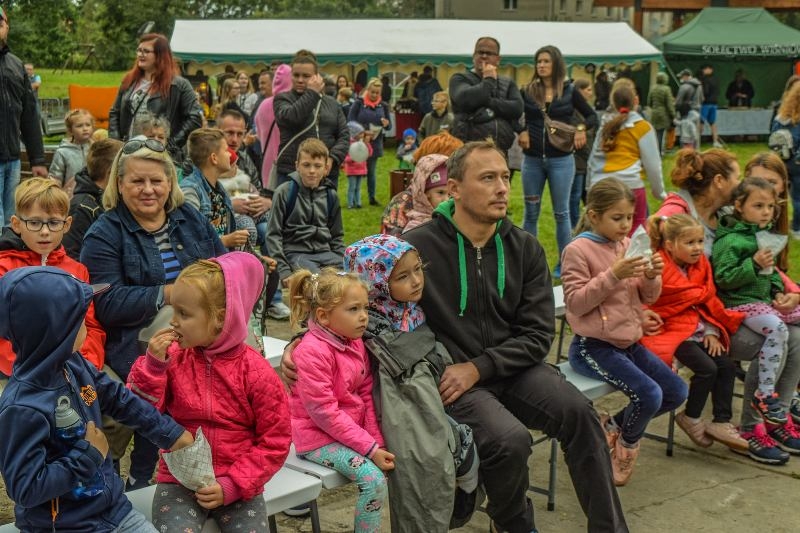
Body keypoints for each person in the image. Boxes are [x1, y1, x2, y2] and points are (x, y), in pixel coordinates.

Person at [390, 141, 627, 531]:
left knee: (581, 416)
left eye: (505, 176)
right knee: (509, 441)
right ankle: (516, 525)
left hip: (514, 369)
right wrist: (301, 346)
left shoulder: (524, 247)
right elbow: (363, 300)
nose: (502, 187)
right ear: (455, 190)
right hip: (453, 380)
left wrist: (482, 367)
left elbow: (537, 335)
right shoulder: (417, 248)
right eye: (488, 178)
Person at [0, 266, 194, 532]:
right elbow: (26, 488)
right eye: (80, 320)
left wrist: (169, 433)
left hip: (114, 511)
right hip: (66, 527)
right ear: (55, 331)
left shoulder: (74, 364)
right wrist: (88, 456)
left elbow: (118, 399)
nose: (88, 327)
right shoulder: (22, 408)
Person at [81, 138, 226, 490]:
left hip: (203, 333)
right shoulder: (104, 233)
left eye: (156, 181)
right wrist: (170, 294)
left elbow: (223, 267)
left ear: (170, 182)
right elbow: (106, 304)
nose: (148, 190)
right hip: (139, 339)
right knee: (169, 378)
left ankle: (220, 462)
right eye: (137, 181)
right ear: (119, 184)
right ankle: (146, 476)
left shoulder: (188, 218)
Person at [655, 149, 800, 463]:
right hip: (703, 321)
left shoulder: (727, 217)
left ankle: (777, 417)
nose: (743, 184)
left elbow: (766, 270)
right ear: (720, 181)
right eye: (739, 177)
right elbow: (665, 267)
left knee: (795, 334)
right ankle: (751, 426)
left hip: (726, 313)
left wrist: (790, 292)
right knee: (772, 339)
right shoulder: (681, 213)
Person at [128, 253, 290, 530]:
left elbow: (275, 440)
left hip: (239, 482)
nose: (173, 322)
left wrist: (234, 484)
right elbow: (139, 413)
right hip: (180, 479)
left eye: (184, 313)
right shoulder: (174, 359)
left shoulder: (256, 371)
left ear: (220, 318)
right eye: (173, 311)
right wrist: (153, 368)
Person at [344, 234, 478, 532]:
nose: (416, 281)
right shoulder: (362, 321)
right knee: (422, 462)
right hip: (388, 403)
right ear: (375, 283)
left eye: (418, 269)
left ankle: (458, 449)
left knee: (435, 452)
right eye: (403, 276)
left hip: (430, 392)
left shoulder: (412, 309)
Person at [562, 178, 687, 486]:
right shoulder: (578, 250)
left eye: (629, 218)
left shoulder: (626, 245)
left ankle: (610, 426)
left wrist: (651, 276)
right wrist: (613, 274)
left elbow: (645, 298)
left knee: (676, 391)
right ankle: (626, 447)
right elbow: (576, 303)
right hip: (593, 347)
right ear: (594, 216)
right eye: (617, 218)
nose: (625, 225)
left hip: (628, 343)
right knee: (649, 395)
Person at [287, 267, 393, 533]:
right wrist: (370, 449)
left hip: (346, 432)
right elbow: (323, 412)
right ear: (323, 316)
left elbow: (366, 393)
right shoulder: (312, 352)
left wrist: (376, 441)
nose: (363, 317)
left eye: (364, 309)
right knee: (373, 480)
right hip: (316, 439)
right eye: (353, 309)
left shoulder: (353, 341)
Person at [640, 214, 747, 451]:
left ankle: (721, 420)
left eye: (700, 241)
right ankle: (691, 416)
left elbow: (707, 300)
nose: (698, 248)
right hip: (671, 331)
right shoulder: (659, 265)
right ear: (670, 245)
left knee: (727, 366)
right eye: (690, 243)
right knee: (706, 369)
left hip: (698, 329)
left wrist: (711, 331)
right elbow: (651, 302)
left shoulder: (701, 265)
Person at [711, 177, 800, 425]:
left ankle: (789, 397)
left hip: (762, 303)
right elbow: (724, 278)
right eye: (758, 206)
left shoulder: (760, 237)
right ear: (739, 205)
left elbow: (770, 273)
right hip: (740, 304)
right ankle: (764, 393)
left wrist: (778, 294)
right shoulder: (730, 240)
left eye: (770, 207)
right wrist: (753, 263)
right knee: (778, 329)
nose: (766, 212)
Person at [0, 177, 106, 379]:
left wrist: (87, 364)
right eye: (34, 222)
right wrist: (29, 370)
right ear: (16, 224)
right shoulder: (4, 269)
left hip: (70, 371)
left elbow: (90, 326)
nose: (45, 231)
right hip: (18, 372)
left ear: (67, 225)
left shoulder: (78, 271)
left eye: (54, 223)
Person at [519, 45, 597, 277]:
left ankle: (566, 265)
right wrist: (521, 129)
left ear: (556, 64)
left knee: (562, 213)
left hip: (562, 160)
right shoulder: (527, 90)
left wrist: (581, 128)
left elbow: (592, 116)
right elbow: (517, 116)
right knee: (530, 212)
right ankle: (527, 263)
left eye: (546, 61)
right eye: (538, 61)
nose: (541, 65)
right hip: (532, 160)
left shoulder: (570, 91)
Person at [109, 33, 202, 164]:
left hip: (161, 156)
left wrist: (169, 145)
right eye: (139, 50)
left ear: (160, 55)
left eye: (146, 51)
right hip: (129, 152)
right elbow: (115, 112)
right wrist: (116, 144)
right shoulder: (129, 81)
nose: (140, 54)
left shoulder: (179, 85)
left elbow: (194, 118)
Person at [587, 84, 665, 234]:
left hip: (601, 185)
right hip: (631, 186)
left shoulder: (605, 126)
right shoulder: (642, 127)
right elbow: (653, 165)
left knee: (599, 235)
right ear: (636, 101)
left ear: (613, 103)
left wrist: (589, 187)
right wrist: (659, 192)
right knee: (634, 234)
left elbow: (592, 161)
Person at [266, 138, 345, 285]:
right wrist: (284, 272)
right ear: (297, 166)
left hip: (327, 254)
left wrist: (342, 260)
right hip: (296, 254)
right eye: (306, 165)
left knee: (352, 278)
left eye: (318, 166)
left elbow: (337, 235)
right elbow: (273, 234)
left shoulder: (330, 196)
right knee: (318, 282)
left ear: (326, 169)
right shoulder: (284, 193)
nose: (312, 171)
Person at [274, 49, 349, 188]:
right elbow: (292, 117)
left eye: (306, 76)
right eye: (296, 75)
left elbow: (344, 136)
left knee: (324, 210)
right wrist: (312, 93)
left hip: (325, 174)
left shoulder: (332, 103)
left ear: (317, 77)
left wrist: (332, 158)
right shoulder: (282, 99)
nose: (300, 80)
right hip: (291, 173)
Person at [0, 7, 47, 227]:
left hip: (13, 159)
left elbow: (29, 115)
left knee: (12, 222)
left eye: (1, 22)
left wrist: (37, 158)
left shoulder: (16, 65)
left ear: (7, 27)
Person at [449, 36, 523, 153]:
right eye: (480, 52)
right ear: (474, 56)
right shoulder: (460, 78)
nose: (484, 56)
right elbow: (464, 100)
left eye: (489, 53)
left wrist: (486, 101)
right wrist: (488, 80)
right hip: (468, 149)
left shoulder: (507, 83)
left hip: (500, 150)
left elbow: (517, 108)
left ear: (498, 59)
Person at [63, 138, 123, 260]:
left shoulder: (114, 199)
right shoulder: (82, 208)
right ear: (112, 173)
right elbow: (70, 255)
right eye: (124, 170)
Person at [381, 154, 449, 237]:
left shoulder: (454, 211)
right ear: (425, 193)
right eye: (441, 192)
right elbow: (390, 241)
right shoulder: (403, 203)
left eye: (450, 194)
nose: (447, 199)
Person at [348, 77, 391, 206]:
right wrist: (363, 131)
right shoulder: (359, 103)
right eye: (372, 92)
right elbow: (350, 120)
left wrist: (386, 123)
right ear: (367, 90)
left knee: (371, 172)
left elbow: (389, 127)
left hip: (374, 144)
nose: (374, 95)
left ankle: (371, 197)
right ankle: (355, 199)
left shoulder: (383, 105)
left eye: (377, 93)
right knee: (356, 171)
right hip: (359, 143)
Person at [255, 63, 291, 188]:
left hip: (268, 164)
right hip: (288, 164)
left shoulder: (263, 105)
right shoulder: (293, 106)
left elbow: (259, 135)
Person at [771, 82, 800, 238]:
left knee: (777, 196)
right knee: (798, 197)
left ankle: (775, 226)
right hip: (798, 162)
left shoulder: (781, 117)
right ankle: (797, 228)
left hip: (781, 161)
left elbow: (772, 137)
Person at [49, 109, 94, 198]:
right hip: (71, 197)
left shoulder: (96, 148)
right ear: (70, 130)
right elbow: (55, 178)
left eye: (88, 125)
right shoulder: (62, 152)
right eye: (79, 126)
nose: (85, 129)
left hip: (92, 196)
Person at [570, 79, 595, 229]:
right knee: (574, 197)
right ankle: (574, 227)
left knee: (588, 196)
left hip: (587, 161)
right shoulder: (573, 113)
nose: (590, 93)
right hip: (577, 160)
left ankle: (587, 226)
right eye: (588, 89)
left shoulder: (588, 113)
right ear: (579, 91)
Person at [343, 121, 373, 209]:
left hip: (361, 169)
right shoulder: (349, 144)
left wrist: (367, 145)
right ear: (354, 133)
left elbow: (369, 154)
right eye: (360, 133)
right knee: (352, 187)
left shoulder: (362, 143)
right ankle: (350, 203)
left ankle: (358, 202)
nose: (362, 135)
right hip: (352, 170)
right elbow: (345, 158)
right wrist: (353, 158)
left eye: (362, 133)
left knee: (358, 187)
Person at [647, 72, 676, 155]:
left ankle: (655, 151)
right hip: (663, 114)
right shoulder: (666, 89)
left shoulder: (653, 88)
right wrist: (673, 115)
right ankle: (660, 152)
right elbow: (669, 104)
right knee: (662, 134)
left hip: (654, 113)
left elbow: (649, 102)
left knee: (656, 133)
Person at [699, 64, 722, 148]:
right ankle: (715, 141)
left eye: (705, 69)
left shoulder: (704, 79)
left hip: (706, 103)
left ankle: (697, 141)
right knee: (713, 123)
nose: (703, 70)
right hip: (714, 103)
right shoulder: (716, 79)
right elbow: (718, 91)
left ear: (710, 69)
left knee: (701, 122)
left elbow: (705, 91)